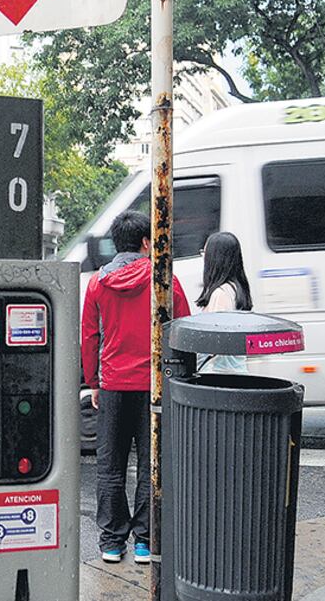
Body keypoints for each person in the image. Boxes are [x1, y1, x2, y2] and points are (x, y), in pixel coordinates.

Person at [81, 210, 192, 565]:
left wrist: (93, 382)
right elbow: (184, 327)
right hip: (153, 387)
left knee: (110, 465)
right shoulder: (163, 278)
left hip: (112, 384)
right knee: (150, 463)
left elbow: (89, 337)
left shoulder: (98, 282)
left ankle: (112, 542)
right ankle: (146, 540)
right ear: (147, 242)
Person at [196, 232, 254, 373]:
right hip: (234, 372)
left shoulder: (221, 294)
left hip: (219, 375)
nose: (203, 258)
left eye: (205, 253)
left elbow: (218, 340)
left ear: (215, 258)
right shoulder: (235, 288)